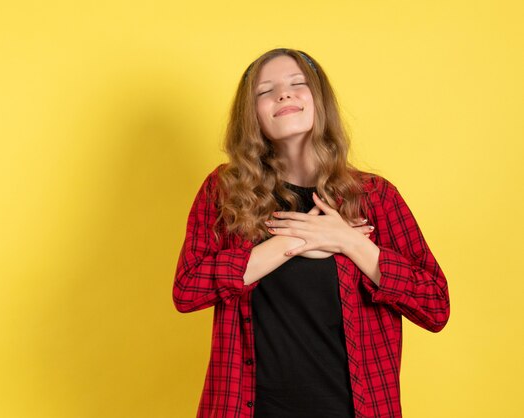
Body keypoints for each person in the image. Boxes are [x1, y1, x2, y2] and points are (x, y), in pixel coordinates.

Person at [173, 48, 450, 418]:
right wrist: (290, 242)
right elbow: (187, 290)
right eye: (265, 91)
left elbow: (435, 307)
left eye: (296, 84)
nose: (283, 94)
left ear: (319, 100)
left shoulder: (375, 197)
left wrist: (350, 242)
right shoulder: (225, 190)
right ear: (251, 115)